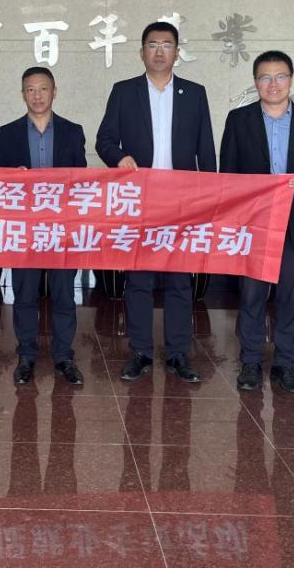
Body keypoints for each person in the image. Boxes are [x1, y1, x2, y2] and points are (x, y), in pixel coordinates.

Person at [95, 20, 216, 383]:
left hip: (182, 201)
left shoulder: (195, 94)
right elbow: (104, 140)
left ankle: (178, 354)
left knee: (180, 280)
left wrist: (209, 198)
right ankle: (141, 352)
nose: (159, 51)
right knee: (139, 279)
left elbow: (206, 150)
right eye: (152, 45)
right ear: (142, 52)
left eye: (166, 45)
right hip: (140, 200)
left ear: (177, 52)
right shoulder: (124, 92)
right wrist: (119, 158)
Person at [221, 50, 294, 395]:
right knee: (252, 296)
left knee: (291, 296)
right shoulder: (238, 120)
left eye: (280, 76)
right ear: (255, 82)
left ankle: (286, 365)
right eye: (265, 77)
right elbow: (228, 171)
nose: (273, 84)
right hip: (253, 222)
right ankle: (251, 363)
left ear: (291, 79)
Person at [0, 66, 87, 386]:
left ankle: (64, 357)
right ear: (23, 94)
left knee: (64, 295)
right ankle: (27, 356)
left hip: (62, 228)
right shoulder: (8, 133)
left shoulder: (73, 131)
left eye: (43, 89)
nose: (37, 95)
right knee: (25, 295)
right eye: (30, 90)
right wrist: (11, 176)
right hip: (24, 230)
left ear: (54, 92)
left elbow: (81, 179)